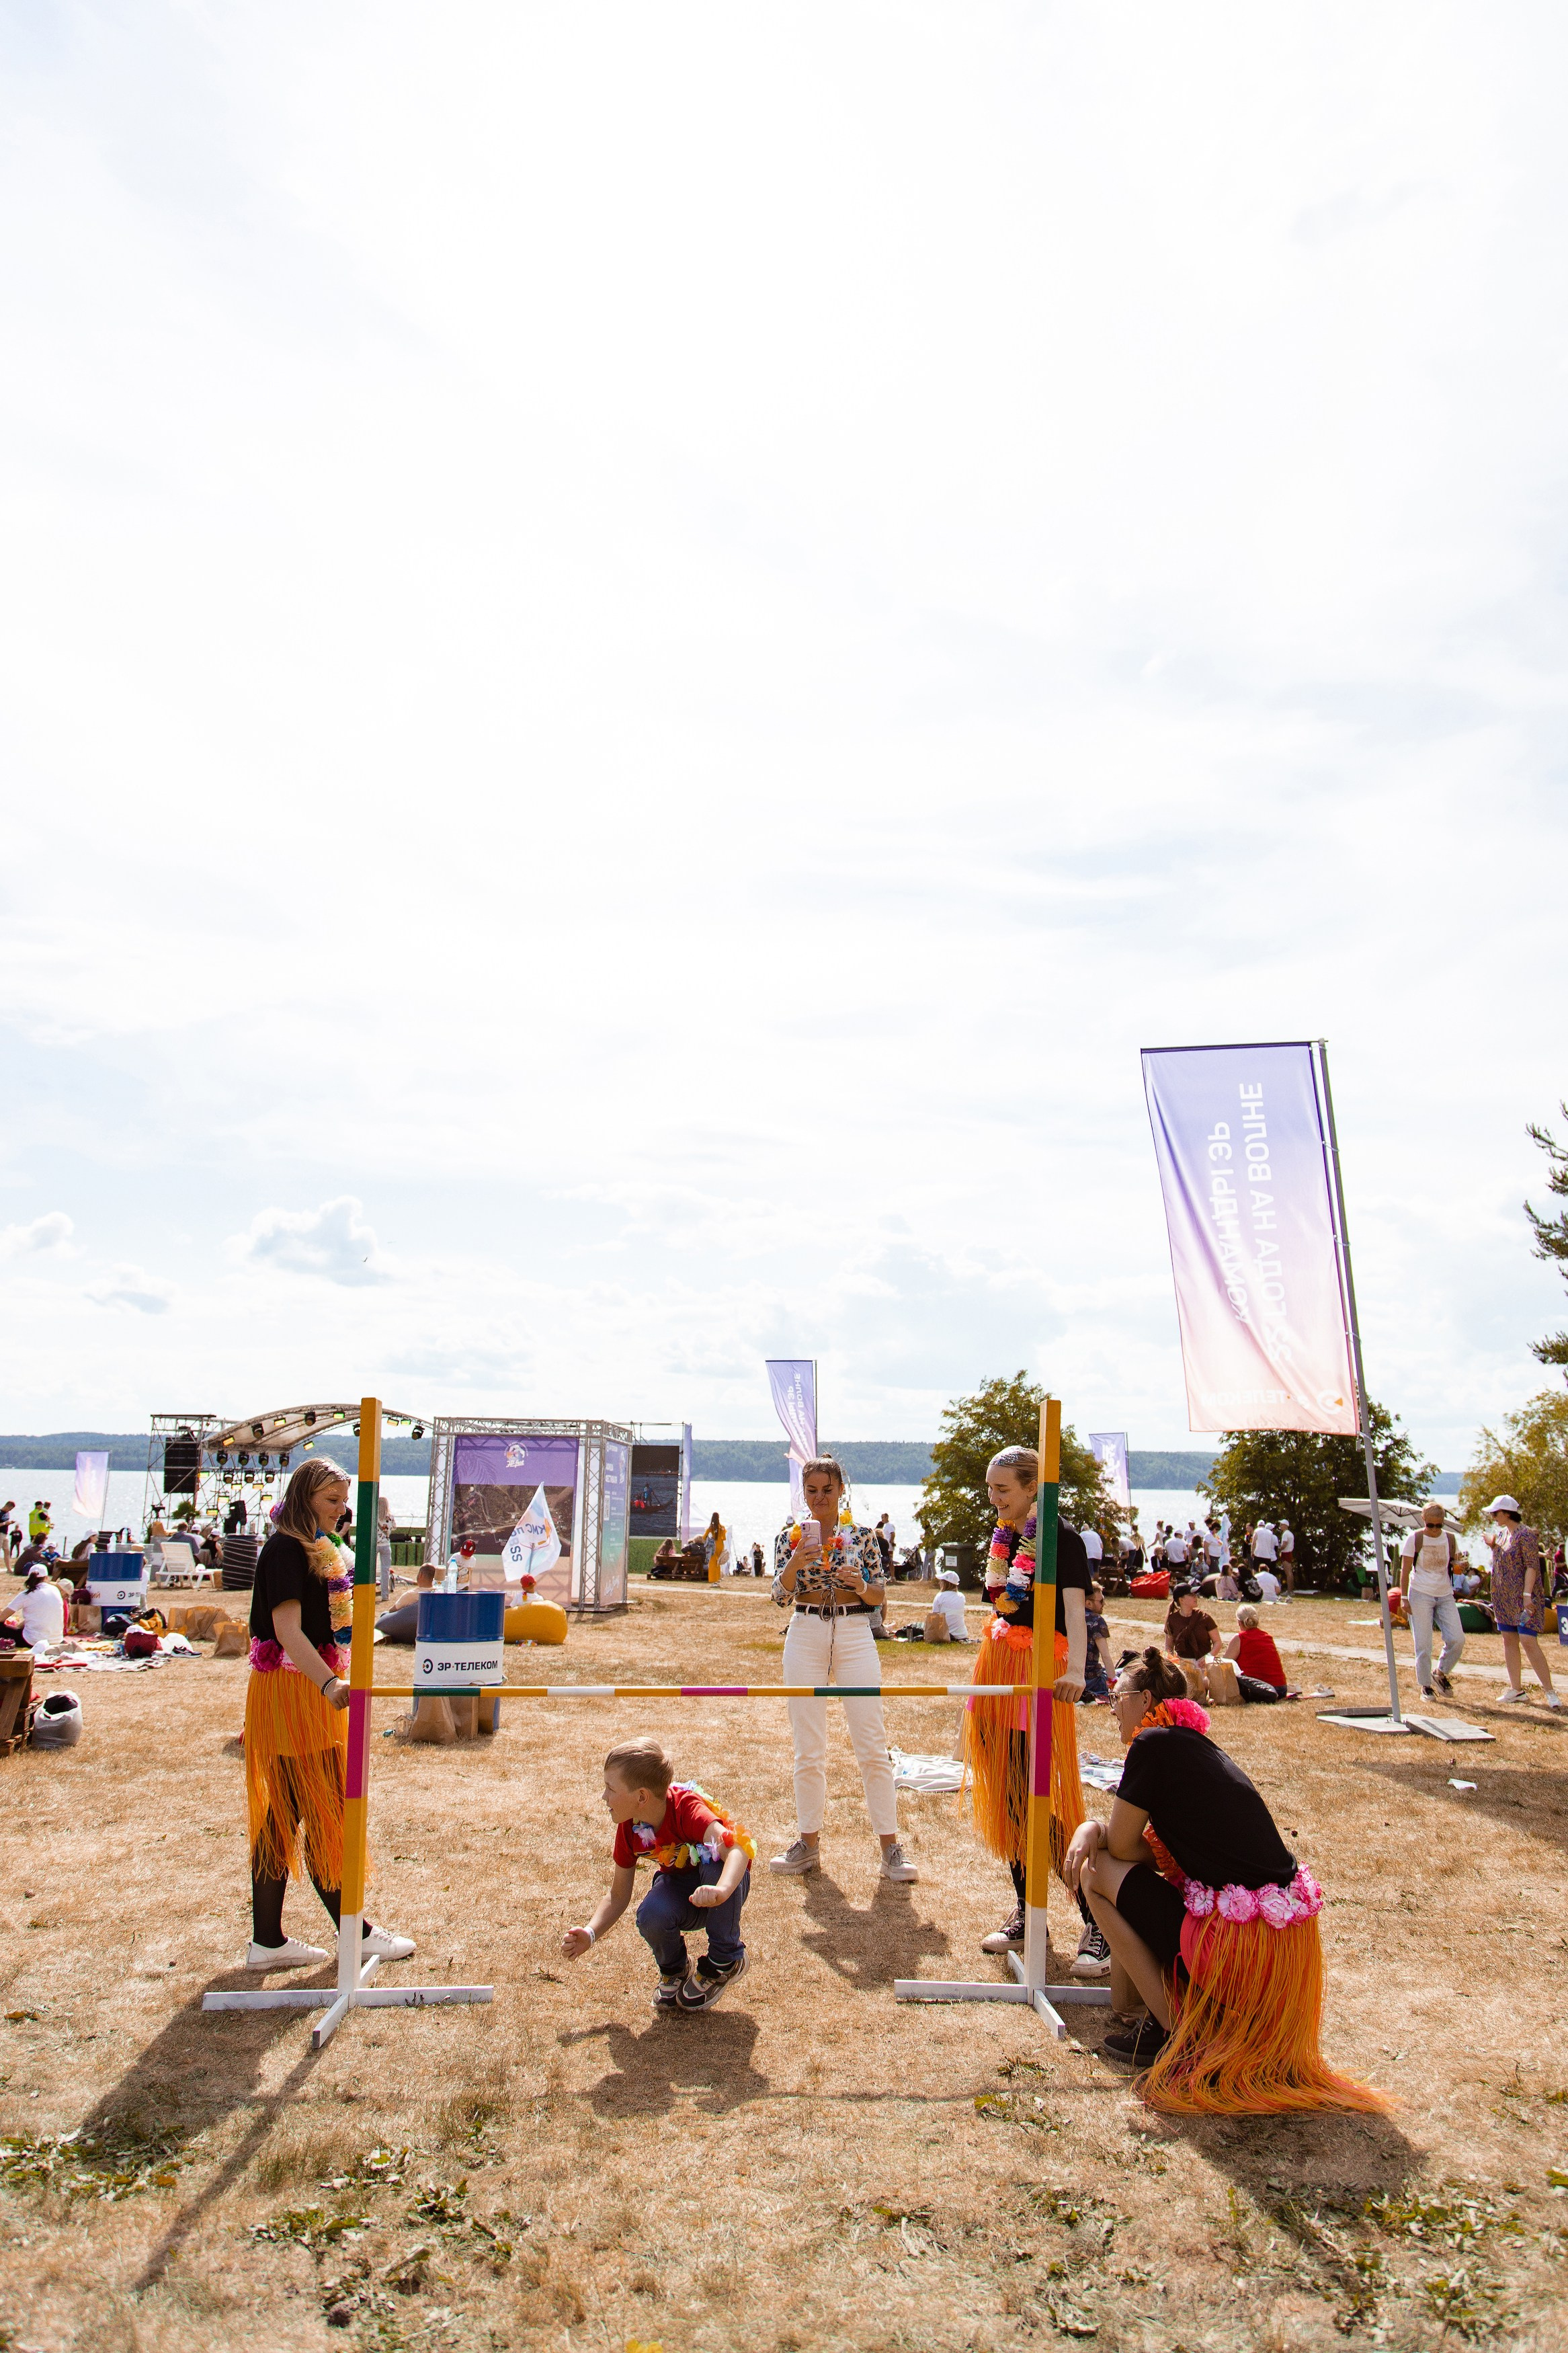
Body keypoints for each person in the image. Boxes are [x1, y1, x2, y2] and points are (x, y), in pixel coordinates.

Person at [1063, 1649, 1387, 2112]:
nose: (1111, 1708)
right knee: (1114, 1878)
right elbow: (1151, 1853)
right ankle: (1162, 2020)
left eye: (1119, 1698)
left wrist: (1089, 1829)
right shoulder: (1192, 1746)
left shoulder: (1152, 1745)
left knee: (1094, 1872)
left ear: (1147, 1698)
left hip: (1237, 1944)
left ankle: (1179, 2033)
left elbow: (1118, 1849)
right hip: (1278, 1945)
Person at [244, 1457, 416, 1971]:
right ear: (303, 1499)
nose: (341, 1512)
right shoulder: (285, 1550)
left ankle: (267, 1942)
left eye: (343, 1502)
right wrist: (328, 1682)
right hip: (295, 1692)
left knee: (286, 1816)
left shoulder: (319, 1548)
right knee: (322, 1809)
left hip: (305, 1688)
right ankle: (355, 1933)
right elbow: (287, 1631)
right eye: (331, 1501)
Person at [965, 1445, 1105, 1977]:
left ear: (1032, 1489)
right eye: (989, 1487)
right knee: (1009, 1796)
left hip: (1039, 1671)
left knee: (1044, 1800)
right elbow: (1001, 1604)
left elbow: (1075, 1610)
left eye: (1002, 1489)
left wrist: (1075, 1672)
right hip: (999, 1666)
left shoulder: (1059, 1538)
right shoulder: (1003, 1536)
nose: (993, 1497)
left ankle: (1096, 1923)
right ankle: (1028, 1912)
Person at [769, 1458, 917, 1882]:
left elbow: (878, 1597)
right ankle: (807, 1844)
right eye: (811, 1491)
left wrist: (859, 1585)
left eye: (827, 1490)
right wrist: (796, 1561)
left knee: (871, 1741)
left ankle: (891, 1848)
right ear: (804, 1493)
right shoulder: (788, 1537)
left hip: (854, 1632)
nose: (819, 1498)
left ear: (841, 1491)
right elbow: (779, 1596)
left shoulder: (864, 1537)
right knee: (808, 1744)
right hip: (805, 1629)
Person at [562, 1737, 754, 2011]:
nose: (604, 1797)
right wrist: (591, 1933)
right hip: (685, 1892)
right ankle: (674, 1970)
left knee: (715, 1862)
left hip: (721, 1891)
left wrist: (721, 1890)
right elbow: (618, 1895)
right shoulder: (630, 1828)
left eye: (610, 1788)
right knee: (651, 1914)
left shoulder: (687, 1808)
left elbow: (738, 1848)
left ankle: (725, 1960)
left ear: (641, 1796)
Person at [1483, 1494, 1562, 1708]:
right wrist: (1491, 1544)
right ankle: (1516, 1690)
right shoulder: (1502, 1534)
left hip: (1523, 1599)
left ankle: (1550, 1691)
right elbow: (1507, 1556)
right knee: (1508, 1640)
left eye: (1496, 1513)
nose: (1493, 1517)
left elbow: (1531, 1566)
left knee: (1528, 1641)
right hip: (1503, 1597)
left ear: (1507, 1513)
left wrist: (1527, 1595)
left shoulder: (1525, 1534)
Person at [1397, 1504, 1466, 1701]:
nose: (1435, 1529)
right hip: (1420, 1593)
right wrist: (1404, 1597)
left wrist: (1459, 1566)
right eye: (1430, 1525)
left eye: (1439, 1525)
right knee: (1423, 1643)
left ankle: (1440, 1673)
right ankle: (1425, 1686)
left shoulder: (1450, 1539)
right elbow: (1405, 1571)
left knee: (1457, 1639)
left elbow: (1454, 1566)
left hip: (1444, 1594)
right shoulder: (1415, 1538)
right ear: (1423, 1520)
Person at [1222, 1605, 1292, 1703]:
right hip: (1281, 1689)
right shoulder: (1267, 1637)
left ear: (1239, 1622)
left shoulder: (1240, 1638)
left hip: (1262, 1690)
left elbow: (1224, 1665)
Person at [1163, 1586, 1220, 1664]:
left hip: (1204, 1665)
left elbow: (1217, 1642)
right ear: (1181, 1600)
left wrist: (1208, 1657)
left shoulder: (1205, 1618)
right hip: (1182, 1666)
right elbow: (1169, 1646)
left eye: (1195, 1594)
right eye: (1191, 1595)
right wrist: (1172, 1662)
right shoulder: (1172, 1620)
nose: (1195, 1597)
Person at [15, 1566, 65, 1650]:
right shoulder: (55, 1590)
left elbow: (2, 1618)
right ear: (46, 1578)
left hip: (32, 1641)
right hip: (57, 1640)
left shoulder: (26, 1594)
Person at [1083, 1583, 1112, 1702]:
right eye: (1101, 1601)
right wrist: (1113, 1683)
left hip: (1071, 1679)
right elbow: (1106, 1656)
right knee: (1125, 1673)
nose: (1104, 1604)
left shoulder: (1067, 1616)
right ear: (1088, 1603)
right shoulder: (1096, 1621)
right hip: (1093, 1681)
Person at [925, 1566, 970, 1642]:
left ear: (945, 1583)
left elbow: (934, 1617)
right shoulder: (961, 1597)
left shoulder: (940, 1596)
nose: (939, 1583)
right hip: (962, 1635)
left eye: (941, 1581)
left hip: (945, 1635)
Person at [1277, 1521, 1296, 1593]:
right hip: (1289, 1553)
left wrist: (1279, 1550)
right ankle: (1291, 1590)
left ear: (1285, 1525)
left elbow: (1284, 1545)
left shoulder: (1285, 1534)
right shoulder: (1290, 1533)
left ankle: (1289, 1591)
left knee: (1288, 1573)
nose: (1280, 1526)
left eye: (1281, 1525)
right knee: (1290, 1573)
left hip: (1286, 1553)